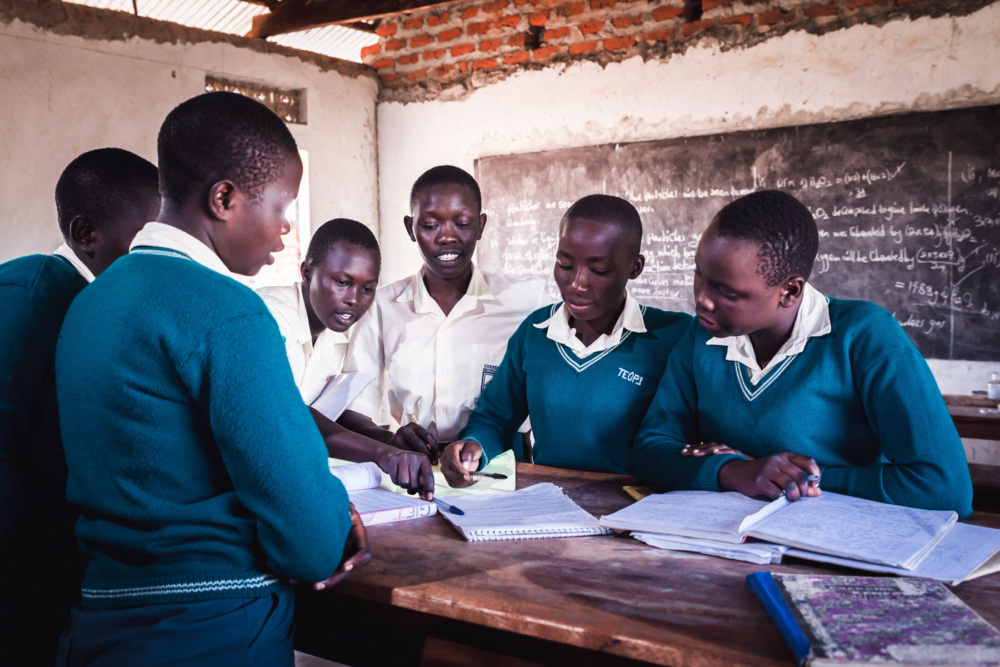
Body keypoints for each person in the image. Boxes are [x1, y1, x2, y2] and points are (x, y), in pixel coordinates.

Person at [55, 92, 369, 666]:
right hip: (213, 627)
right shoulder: (229, 313)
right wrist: (337, 516)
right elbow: (310, 542)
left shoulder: (89, 304)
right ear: (224, 198)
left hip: (102, 623)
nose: (282, 234)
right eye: (280, 209)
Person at [632, 190, 973, 517]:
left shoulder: (865, 336)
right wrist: (735, 472)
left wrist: (788, 478)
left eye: (726, 291)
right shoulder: (700, 337)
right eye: (699, 275)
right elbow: (650, 450)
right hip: (725, 538)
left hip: (835, 543)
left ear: (789, 291)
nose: (702, 299)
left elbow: (943, 488)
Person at [0, 148, 160, 666]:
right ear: (86, 233)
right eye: (146, 239)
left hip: (77, 564)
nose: (160, 256)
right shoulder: (31, 294)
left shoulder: (111, 307)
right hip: (25, 568)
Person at [439, 195, 691, 483]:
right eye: (565, 264)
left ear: (635, 267)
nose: (576, 284)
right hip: (552, 502)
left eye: (599, 270)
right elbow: (495, 417)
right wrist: (474, 448)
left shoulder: (673, 337)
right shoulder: (535, 332)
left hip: (638, 508)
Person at [341, 165, 545, 460]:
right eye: (430, 225)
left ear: (481, 225)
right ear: (411, 228)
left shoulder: (526, 301)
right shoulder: (383, 306)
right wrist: (391, 439)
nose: (447, 237)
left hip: (503, 460)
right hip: (419, 460)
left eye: (462, 223)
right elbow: (352, 408)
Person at [259, 218, 433, 498]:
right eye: (342, 282)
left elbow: (329, 413)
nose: (354, 299)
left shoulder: (339, 335)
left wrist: (390, 439)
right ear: (306, 273)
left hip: (283, 477)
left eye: (367, 288)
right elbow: (288, 412)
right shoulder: (268, 318)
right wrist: (383, 453)